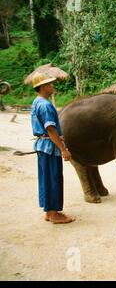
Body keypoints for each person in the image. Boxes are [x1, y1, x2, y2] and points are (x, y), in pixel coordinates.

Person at [31, 72, 75, 224]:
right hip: (50, 147)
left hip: (43, 147)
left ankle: (49, 211)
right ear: (43, 87)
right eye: (49, 84)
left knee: (46, 179)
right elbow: (50, 129)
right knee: (53, 178)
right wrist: (63, 149)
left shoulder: (37, 101)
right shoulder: (45, 105)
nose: (52, 86)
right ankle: (54, 213)